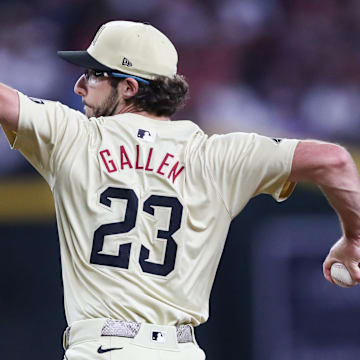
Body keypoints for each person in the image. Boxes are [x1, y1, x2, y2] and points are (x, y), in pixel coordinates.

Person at [1, 20, 360, 360]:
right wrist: (353, 240)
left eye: (95, 74)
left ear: (129, 87)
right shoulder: (216, 155)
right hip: (181, 351)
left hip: (102, 348)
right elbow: (334, 161)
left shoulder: (73, 136)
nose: (80, 85)